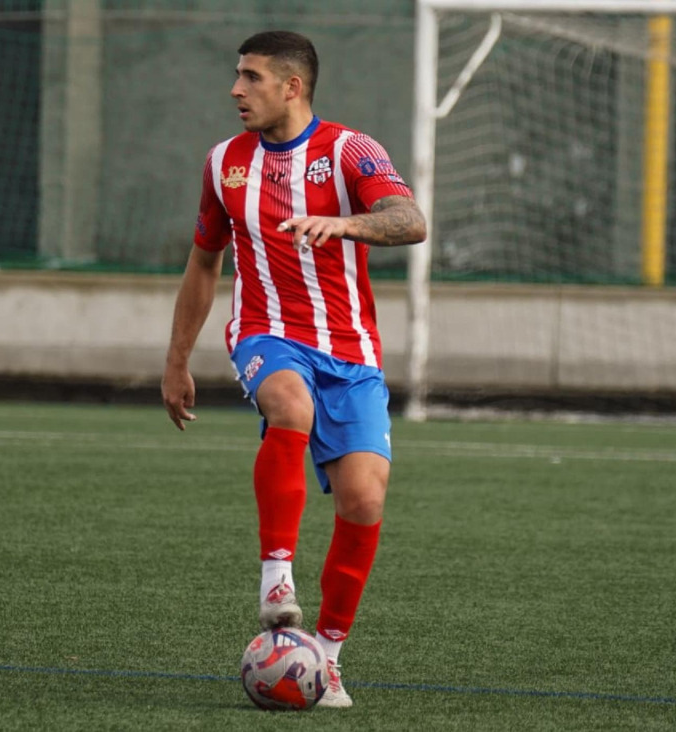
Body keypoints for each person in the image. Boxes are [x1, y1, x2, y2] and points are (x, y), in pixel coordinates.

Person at [161, 31, 426, 709]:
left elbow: (410, 219)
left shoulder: (349, 149)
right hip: (267, 331)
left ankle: (327, 658)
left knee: (366, 500)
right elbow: (204, 261)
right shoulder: (225, 163)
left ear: (291, 86)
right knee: (290, 407)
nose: (235, 90)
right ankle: (276, 578)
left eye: (250, 77)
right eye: (236, 76)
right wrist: (176, 360)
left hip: (352, 350)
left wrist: (350, 226)